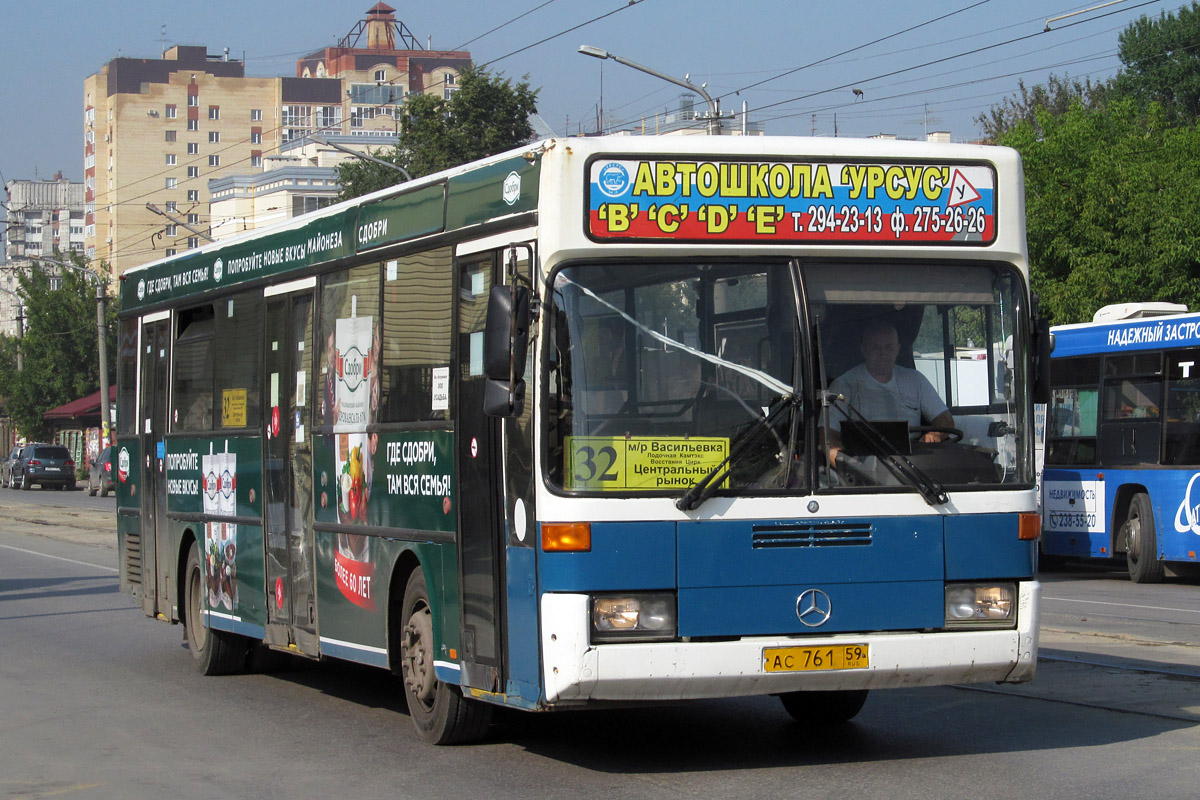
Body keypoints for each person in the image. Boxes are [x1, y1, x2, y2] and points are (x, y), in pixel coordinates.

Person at [824, 319, 954, 467]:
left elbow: (946, 421)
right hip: (865, 464)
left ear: (898, 349)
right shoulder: (844, 385)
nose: (883, 354)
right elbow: (827, 435)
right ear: (863, 350)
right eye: (875, 348)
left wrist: (934, 435)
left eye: (889, 347)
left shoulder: (916, 380)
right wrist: (847, 466)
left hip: (915, 465)